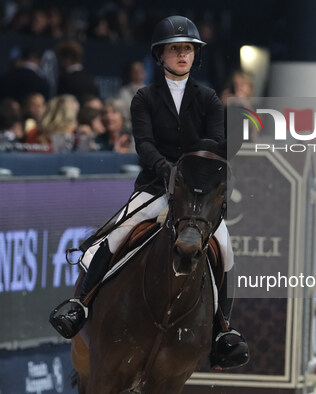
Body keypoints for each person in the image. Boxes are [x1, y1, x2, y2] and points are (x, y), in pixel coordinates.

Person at [49, 15, 249, 370]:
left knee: (226, 248)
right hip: (156, 187)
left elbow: (216, 144)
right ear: (161, 56)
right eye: (175, 50)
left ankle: (222, 330)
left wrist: (190, 168)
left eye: (187, 49)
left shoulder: (208, 99)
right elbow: (144, 144)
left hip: (196, 193)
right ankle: (80, 304)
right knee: (112, 238)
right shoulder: (144, 97)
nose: (182, 55)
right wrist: (166, 170)